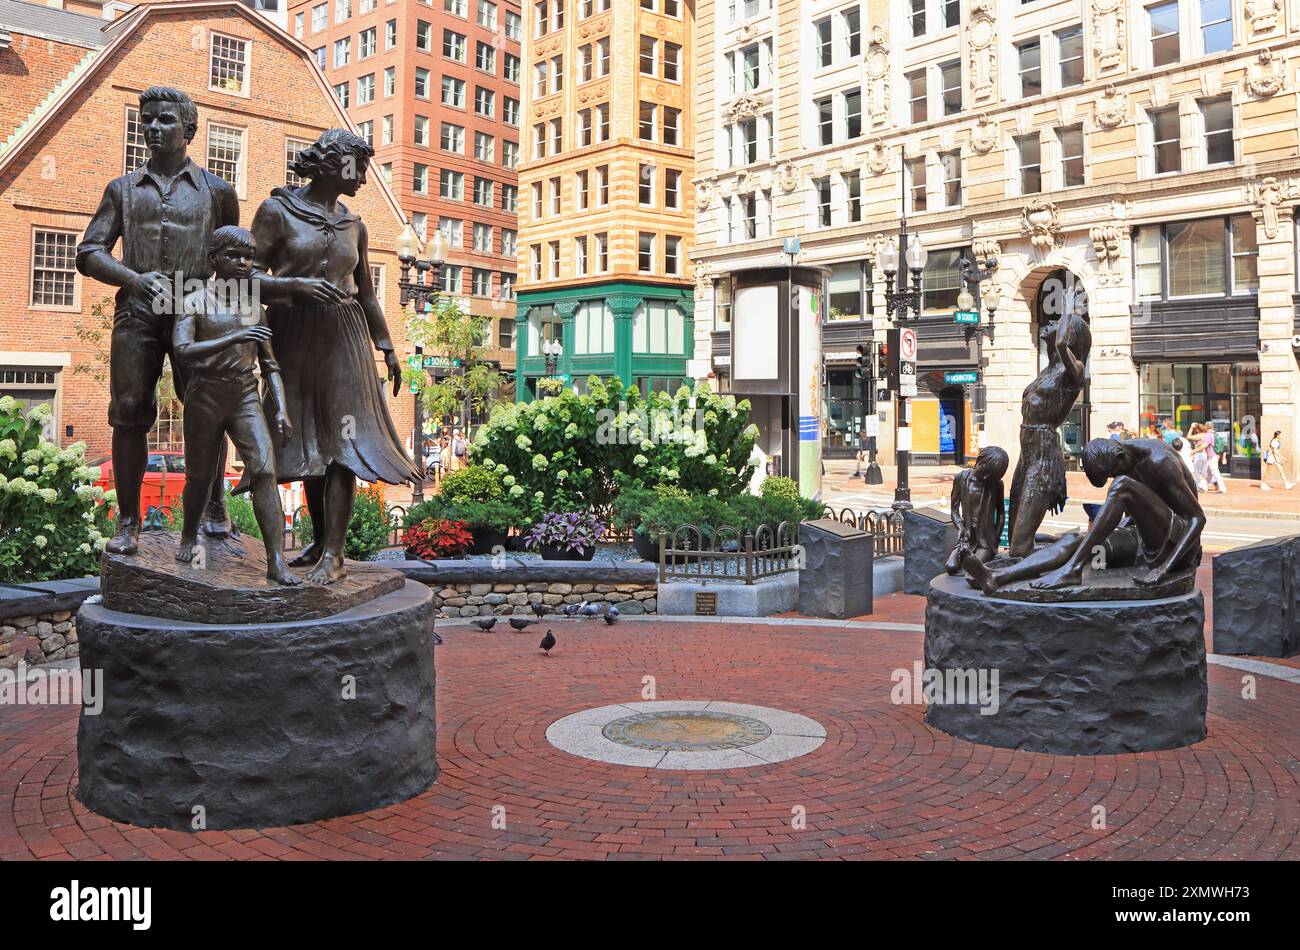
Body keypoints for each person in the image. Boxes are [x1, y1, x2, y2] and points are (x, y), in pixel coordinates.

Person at [249, 128, 419, 584]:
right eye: (357, 167)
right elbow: (240, 276)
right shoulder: (277, 211)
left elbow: (365, 293)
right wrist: (291, 287)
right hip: (291, 333)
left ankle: (336, 556)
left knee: (343, 440)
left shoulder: (355, 226)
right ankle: (321, 540)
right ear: (331, 164)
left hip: (344, 334)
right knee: (307, 441)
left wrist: (386, 346)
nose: (363, 177)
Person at [76, 86, 239, 555]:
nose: (153, 127)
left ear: (189, 129)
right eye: (147, 119)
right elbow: (89, 252)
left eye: (165, 120)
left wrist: (231, 317)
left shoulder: (217, 192)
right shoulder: (122, 190)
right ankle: (128, 522)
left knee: (208, 408)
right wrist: (134, 278)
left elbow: (229, 257)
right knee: (128, 412)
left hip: (197, 307)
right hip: (139, 309)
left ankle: (214, 504)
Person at [172, 226, 299, 585]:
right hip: (205, 395)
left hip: (244, 395)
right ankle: (187, 535)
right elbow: (182, 350)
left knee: (264, 470)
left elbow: (270, 364)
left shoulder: (254, 308)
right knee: (199, 477)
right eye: (235, 256)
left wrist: (282, 408)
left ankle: (276, 559)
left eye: (248, 256)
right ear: (214, 260)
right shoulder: (193, 300)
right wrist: (235, 335)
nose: (244, 263)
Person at [963, 437, 1204, 593]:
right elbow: (1140, 514)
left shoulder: (1160, 460)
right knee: (1073, 541)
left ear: (1120, 457)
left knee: (1123, 486)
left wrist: (1164, 570)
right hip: (1144, 540)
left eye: (1112, 473)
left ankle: (1072, 571)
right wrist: (1104, 536)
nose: (1114, 477)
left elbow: (1197, 519)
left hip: (1176, 546)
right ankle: (997, 577)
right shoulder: (1126, 462)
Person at [1008, 311, 1090, 558]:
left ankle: (1067, 549)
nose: (1051, 325)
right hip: (1027, 449)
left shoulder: (1074, 370)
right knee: (1014, 531)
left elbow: (1061, 344)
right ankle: (1049, 545)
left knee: (1018, 546)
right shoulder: (1048, 369)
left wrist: (1069, 310)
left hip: (1043, 450)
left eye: (1059, 323)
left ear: (1070, 333)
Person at [945, 446, 1009, 576]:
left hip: (986, 541)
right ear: (979, 461)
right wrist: (960, 528)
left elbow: (1001, 513)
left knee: (972, 568)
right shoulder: (960, 478)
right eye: (985, 472)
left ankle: (984, 560)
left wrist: (996, 537)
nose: (986, 478)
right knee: (950, 567)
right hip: (966, 538)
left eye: (991, 476)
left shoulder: (996, 484)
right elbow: (954, 510)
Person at [1200, 424, 1227, 493]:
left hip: (1212, 456)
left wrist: (1194, 451)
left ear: (1206, 427)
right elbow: (1223, 446)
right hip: (1214, 455)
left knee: (1215, 472)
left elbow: (1205, 445)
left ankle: (1222, 488)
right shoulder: (1215, 434)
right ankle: (1203, 487)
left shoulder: (1208, 435)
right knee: (1209, 473)